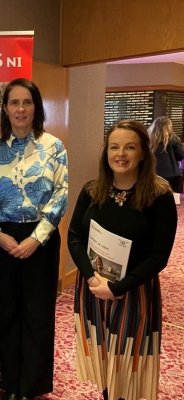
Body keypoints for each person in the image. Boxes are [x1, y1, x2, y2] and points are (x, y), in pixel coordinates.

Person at [68, 120, 177, 400]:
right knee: (103, 358)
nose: (121, 154)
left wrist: (118, 288)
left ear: (143, 153)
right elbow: (74, 237)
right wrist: (93, 279)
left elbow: (159, 256)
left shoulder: (159, 196)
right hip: (93, 289)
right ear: (106, 152)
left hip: (134, 293)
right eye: (114, 147)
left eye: (130, 147)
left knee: (128, 365)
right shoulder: (92, 191)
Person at [0, 78, 68, 400]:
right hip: (0, 240)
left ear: (36, 107)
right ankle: (9, 383)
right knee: (6, 312)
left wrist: (36, 238)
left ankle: (33, 386)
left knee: (39, 313)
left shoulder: (53, 146)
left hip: (40, 240)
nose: (20, 109)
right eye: (14, 103)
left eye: (26, 102)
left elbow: (61, 195)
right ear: (5, 109)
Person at [148, 115, 184, 192]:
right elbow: (181, 156)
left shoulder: (148, 139)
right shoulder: (173, 139)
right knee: (174, 197)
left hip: (153, 173)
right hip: (172, 173)